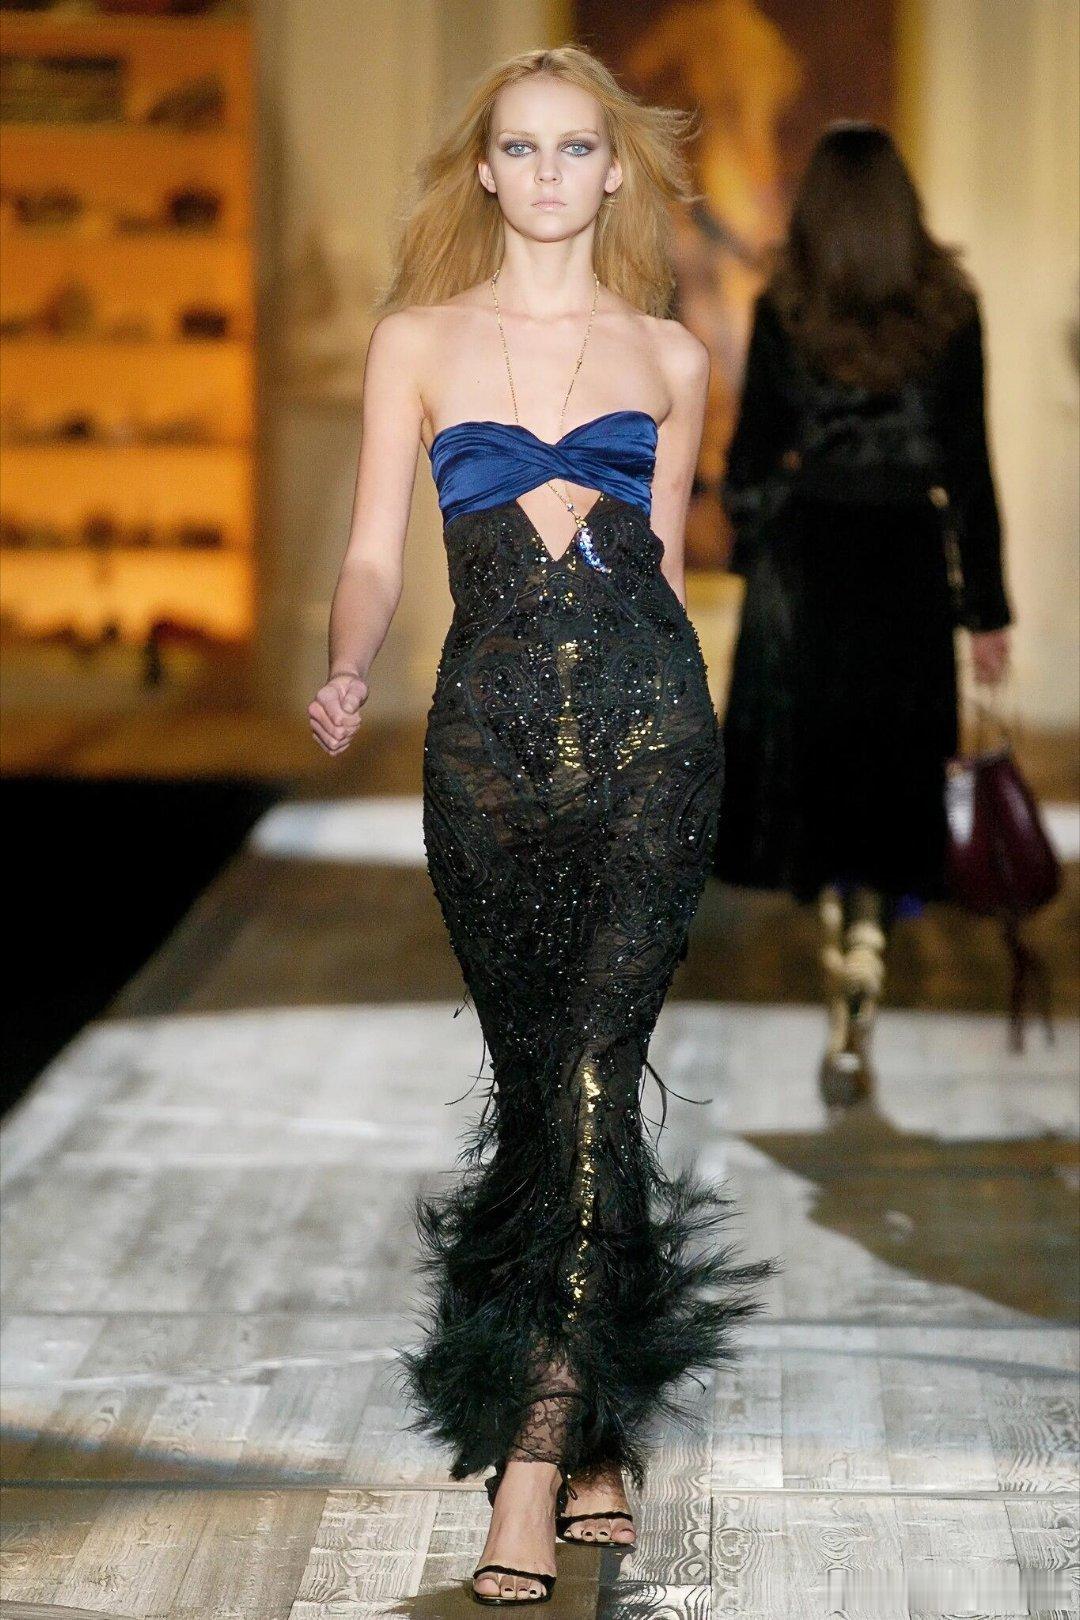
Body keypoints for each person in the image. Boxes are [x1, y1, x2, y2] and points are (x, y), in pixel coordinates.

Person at [307, 44, 779, 1607]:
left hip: (653, 742)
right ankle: (600, 1426)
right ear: (486, 170)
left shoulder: (673, 356)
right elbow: (374, 552)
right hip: (487, 756)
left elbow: (663, 568)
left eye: (580, 148)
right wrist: (348, 660)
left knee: (593, 1071)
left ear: (615, 171)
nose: (552, 174)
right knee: (541, 1091)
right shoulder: (418, 340)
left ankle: (530, 1454)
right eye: (524, 148)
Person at [713, 122, 1013, 1105]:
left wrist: (761, 538)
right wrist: (986, 613)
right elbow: (970, 472)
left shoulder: (786, 308)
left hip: (809, 566)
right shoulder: (951, 312)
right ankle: (872, 934)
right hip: (907, 566)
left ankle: (842, 933)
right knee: (892, 767)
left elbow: (748, 463)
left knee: (819, 769)